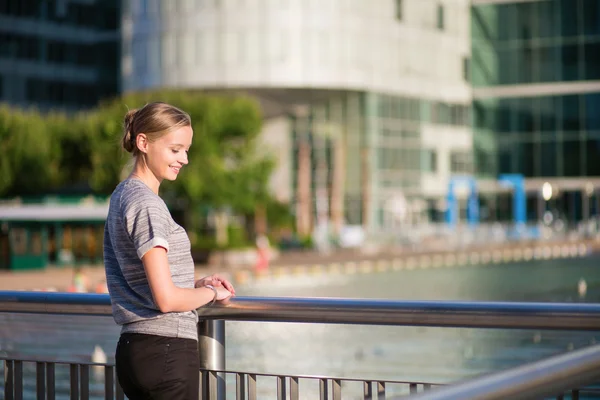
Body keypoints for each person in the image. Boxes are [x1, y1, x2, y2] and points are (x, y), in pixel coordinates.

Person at [103, 102, 235, 400]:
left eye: (186, 150)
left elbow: (143, 278)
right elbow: (166, 299)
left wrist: (195, 284)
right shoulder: (147, 204)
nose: (184, 159)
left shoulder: (122, 194)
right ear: (143, 142)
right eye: (176, 150)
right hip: (166, 350)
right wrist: (214, 295)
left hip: (134, 349)